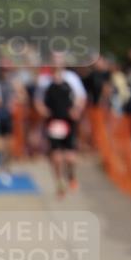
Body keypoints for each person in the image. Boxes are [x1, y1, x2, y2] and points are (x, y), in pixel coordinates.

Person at [36, 65, 84, 196]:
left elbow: (81, 98)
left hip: (69, 123)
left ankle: (71, 175)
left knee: (70, 158)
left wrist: (76, 110)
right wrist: (43, 111)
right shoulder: (45, 82)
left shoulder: (71, 79)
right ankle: (59, 182)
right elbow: (38, 101)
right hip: (53, 123)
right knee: (56, 158)